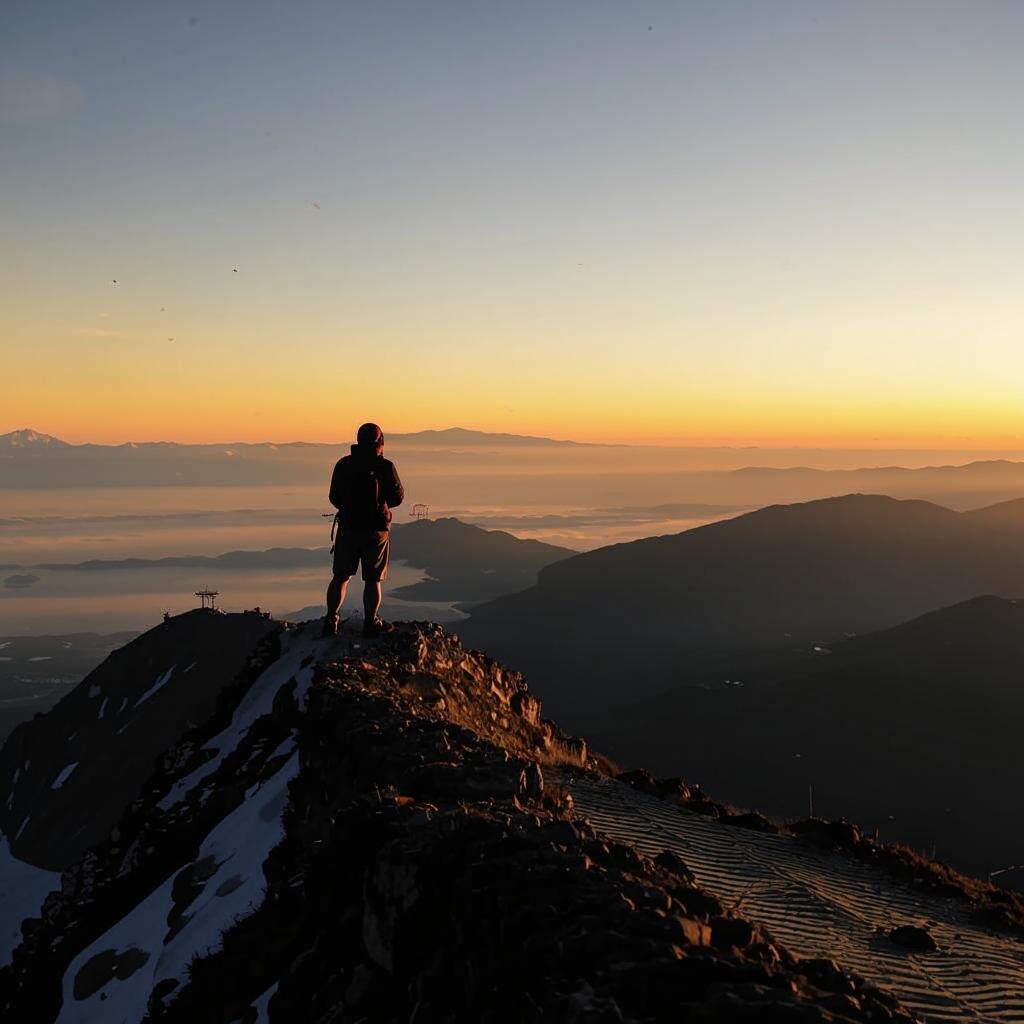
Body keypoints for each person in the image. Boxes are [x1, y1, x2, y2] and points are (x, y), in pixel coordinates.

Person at [323, 422, 405, 638]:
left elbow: (334, 497)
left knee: (341, 576)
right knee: (372, 579)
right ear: (380, 442)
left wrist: (350, 508)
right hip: (376, 531)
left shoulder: (344, 464)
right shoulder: (384, 466)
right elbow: (397, 497)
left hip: (348, 528)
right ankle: (370, 623)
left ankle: (331, 619)